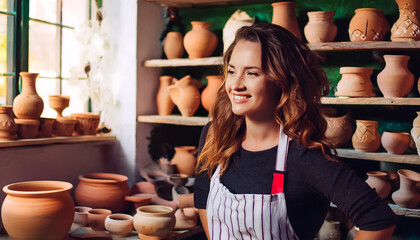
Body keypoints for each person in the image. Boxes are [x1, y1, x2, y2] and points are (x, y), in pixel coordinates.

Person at [194, 23, 396, 240]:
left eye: (252, 73)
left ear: (283, 81)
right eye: (232, 71)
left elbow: (378, 220)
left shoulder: (304, 157)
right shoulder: (216, 135)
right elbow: (203, 198)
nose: (236, 84)